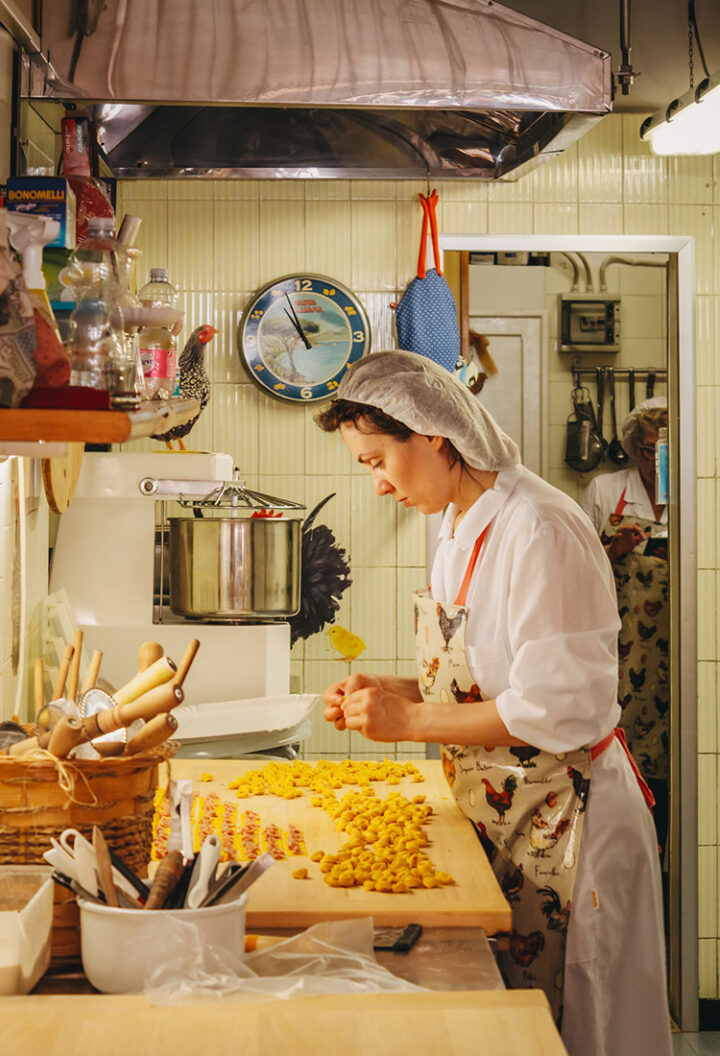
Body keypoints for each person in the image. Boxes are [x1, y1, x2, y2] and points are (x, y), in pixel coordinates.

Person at [316, 350, 671, 1056]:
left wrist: (412, 720)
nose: (380, 485)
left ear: (432, 437)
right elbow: (489, 679)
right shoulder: (457, 524)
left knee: (582, 1022)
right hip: (509, 807)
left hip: (571, 816)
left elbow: (561, 705)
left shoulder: (538, 527)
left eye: (378, 460)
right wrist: (395, 689)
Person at [579, 397, 669, 864]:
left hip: (675, 653)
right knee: (620, 758)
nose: (659, 460)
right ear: (634, 449)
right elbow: (573, 573)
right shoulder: (604, 491)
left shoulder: (696, 496)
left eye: (668, 450)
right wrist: (612, 548)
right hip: (621, 652)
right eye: (651, 449)